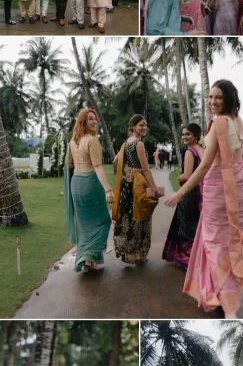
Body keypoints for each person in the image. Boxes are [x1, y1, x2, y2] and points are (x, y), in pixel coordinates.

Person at [165, 80, 243, 319]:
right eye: (210, 97)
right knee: (231, 240)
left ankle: (227, 304)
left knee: (215, 244)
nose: (213, 102)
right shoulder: (239, 122)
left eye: (219, 97)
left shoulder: (219, 123)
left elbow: (203, 168)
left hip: (218, 188)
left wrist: (179, 193)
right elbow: (241, 159)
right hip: (240, 186)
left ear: (229, 99)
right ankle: (223, 296)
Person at [65, 108, 115, 272]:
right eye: (90, 119)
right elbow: (98, 167)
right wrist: (108, 189)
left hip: (76, 184)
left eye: (95, 118)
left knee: (84, 224)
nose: (94, 121)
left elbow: (71, 166)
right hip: (90, 184)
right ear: (83, 122)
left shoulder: (73, 141)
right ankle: (89, 257)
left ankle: (88, 260)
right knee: (102, 221)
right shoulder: (92, 141)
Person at [113, 114, 161, 264]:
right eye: (141, 125)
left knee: (128, 216)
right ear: (133, 126)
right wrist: (154, 189)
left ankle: (125, 250)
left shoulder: (127, 143)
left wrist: (129, 171)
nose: (144, 127)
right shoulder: (138, 144)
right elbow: (146, 169)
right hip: (138, 182)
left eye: (146, 125)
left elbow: (116, 161)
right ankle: (138, 255)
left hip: (128, 181)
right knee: (141, 216)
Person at [162, 123, 203, 268]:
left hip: (190, 192)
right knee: (197, 224)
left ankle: (187, 259)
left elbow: (187, 176)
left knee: (185, 225)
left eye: (188, 134)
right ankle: (198, 257)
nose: (184, 137)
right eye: (183, 134)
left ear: (196, 136)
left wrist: (179, 178)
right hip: (202, 192)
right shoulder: (203, 150)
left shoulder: (190, 152)